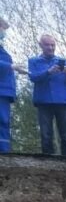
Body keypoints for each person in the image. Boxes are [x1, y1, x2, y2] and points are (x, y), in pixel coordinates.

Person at [28, 34, 66, 157]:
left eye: (53, 45)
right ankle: (48, 161)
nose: (51, 48)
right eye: (47, 45)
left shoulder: (65, 62)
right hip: (44, 102)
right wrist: (48, 72)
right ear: (41, 45)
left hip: (63, 102)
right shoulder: (34, 61)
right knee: (46, 134)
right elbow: (33, 77)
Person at [0, 18, 27, 153]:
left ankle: (4, 152)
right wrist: (11, 66)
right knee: (1, 120)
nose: (3, 32)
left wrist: (17, 69)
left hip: (5, 91)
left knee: (4, 121)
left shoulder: (2, 49)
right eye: (2, 28)